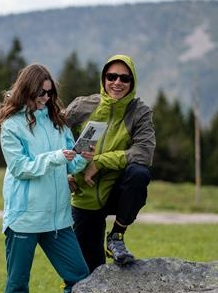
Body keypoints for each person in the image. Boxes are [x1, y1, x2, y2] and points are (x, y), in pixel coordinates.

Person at [0, 63, 91, 293]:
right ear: (27, 90)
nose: (45, 98)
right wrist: (56, 157)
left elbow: (70, 163)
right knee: (18, 285)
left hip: (57, 219)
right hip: (25, 218)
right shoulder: (12, 126)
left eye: (49, 93)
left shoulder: (58, 123)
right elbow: (20, 168)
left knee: (79, 277)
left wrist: (82, 157)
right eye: (40, 93)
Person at [64, 54, 156, 273]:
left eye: (124, 78)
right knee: (89, 271)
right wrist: (64, 171)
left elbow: (144, 152)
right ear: (103, 78)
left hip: (117, 191)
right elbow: (52, 134)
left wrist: (99, 162)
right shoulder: (83, 105)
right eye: (111, 76)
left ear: (132, 82)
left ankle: (116, 236)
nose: (117, 82)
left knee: (139, 173)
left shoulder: (139, 112)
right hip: (85, 194)